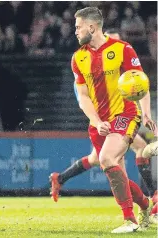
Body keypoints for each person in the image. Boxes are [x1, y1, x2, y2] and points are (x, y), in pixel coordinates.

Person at [52, 7, 157, 233]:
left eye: (79, 27)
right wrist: (96, 121)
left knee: (107, 158)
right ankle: (147, 206)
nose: (76, 31)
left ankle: (130, 220)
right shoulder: (78, 57)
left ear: (92, 27)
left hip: (125, 114)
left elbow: (141, 83)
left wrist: (145, 112)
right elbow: (82, 96)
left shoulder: (123, 49)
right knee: (117, 175)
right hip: (99, 123)